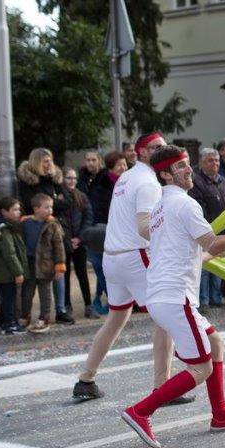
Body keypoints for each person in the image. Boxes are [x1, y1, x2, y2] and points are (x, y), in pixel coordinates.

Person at [120, 145, 225, 448]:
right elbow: (212, 243)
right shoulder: (184, 205)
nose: (189, 171)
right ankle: (140, 411)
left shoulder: (161, 208)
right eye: (182, 167)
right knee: (201, 367)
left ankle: (221, 415)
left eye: (188, 165)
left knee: (215, 344)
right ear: (165, 174)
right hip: (175, 298)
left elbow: (191, 250)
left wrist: (214, 251)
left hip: (165, 296)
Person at [71, 132, 179, 402]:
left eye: (164, 147)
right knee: (166, 318)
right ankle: (162, 388)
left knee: (116, 318)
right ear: (141, 152)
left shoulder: (126, 177)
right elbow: (146, 226)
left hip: (113, 257)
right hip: (134, 256)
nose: (161, 151)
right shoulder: (147, 182)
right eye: (156, 147)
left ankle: (86, 379)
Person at [86, 151, 128, 315]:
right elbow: (99, 209)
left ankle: (109, 299)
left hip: (123, 232)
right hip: (105, 230)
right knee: (102, 266)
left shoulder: (129, 182)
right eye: (119, 165)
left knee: (112, 267)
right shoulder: (102, 184)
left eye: (124, 164)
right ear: (111, 168)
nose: (123, 168)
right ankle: (112, 300)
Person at [189, 147, 225, 308]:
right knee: (204, 267)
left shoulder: (222, 180)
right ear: (201, 163)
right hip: (205, 229)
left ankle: (216, 298)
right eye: (210, 160)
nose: (215, 163)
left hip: (221, 230)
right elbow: (199, 206)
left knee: (219, 264)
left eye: (217, 160)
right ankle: (203, 301)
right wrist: (208, 226)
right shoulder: (196, 181)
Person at [19, 193, 66, 334]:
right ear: (36, 208)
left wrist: (59, 266)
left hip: (46, 264)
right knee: (27, 292)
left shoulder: (52, 225)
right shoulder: (25, 223)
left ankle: (44, 318)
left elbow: (59, 247)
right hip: (29, 263)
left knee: (45, 293)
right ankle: (25, 316)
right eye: (46, 207)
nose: (50, 210)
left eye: (51, 207)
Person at [0, 197, 28, 335]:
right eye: (15, 210)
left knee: (7, 297)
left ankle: (3, 322)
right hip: (6, 271)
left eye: (18, 209)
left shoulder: (6, 226)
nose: (18, 212)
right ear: (4, 212)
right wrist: (18, 272)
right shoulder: (5, 229)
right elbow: (9, 253)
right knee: (9, 298)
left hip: (3, 271)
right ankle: (9, 324)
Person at [60, 168, 95, 318]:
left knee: (82, 274)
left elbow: (88, 218)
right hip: (63, 242)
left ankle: (88, 305)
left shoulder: (81, 196)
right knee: (65, 275)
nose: (72, 181)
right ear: (62, 179)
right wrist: (68, 239)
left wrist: (79, 238)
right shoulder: (59, 197)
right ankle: (67, 306)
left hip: (79, 241)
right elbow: (58, 220)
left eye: (74, 178)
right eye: (68, 178)